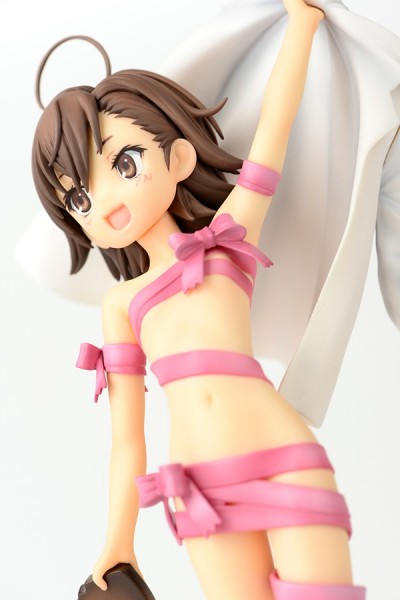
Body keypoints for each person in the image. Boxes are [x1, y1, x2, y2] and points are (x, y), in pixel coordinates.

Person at [32, 1, 365, 598]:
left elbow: (273, 134)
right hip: (198, 491)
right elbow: (127, 440)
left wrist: (302, 23)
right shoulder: (121, 306)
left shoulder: (226, 242)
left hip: (283, 457)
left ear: (179, 157)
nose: (104, 201)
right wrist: (118, 540)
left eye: (122, 162)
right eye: (79, 199)